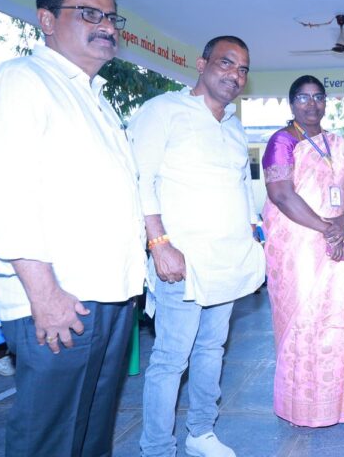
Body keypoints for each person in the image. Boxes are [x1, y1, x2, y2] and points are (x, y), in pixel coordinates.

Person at [0, 0, 146, 456]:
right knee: (50, 438)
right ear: (46, 20)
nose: (107, 26)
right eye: (89, 14)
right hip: (61, 299)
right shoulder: (21, 80)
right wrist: (45, 293)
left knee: (91, 432)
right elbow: (4, 192)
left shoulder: (94, 98)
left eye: (111, 18)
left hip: (108, 294)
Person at [129, 36, 265, 457]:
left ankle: (201, 433)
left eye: (242, 69)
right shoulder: (163, 111)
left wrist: (251, 231)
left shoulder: (234, 126)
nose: (235, 75)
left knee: (211, 350)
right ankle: (157, 447)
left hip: (227, 262)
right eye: (226, 63)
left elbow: (241, 186)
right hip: (182, 262)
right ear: (202, 64)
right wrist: (159, 244)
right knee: (171, 359)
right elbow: (140, 180)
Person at [261, 75, 344, 427]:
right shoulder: (282, 141)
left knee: (340, 317)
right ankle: (302, 406)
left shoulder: (339, 145)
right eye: (303, 98)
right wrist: (327, 228)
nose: (311, 104)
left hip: (336, 239)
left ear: (326, 102)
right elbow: (281, 194)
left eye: (318, 97)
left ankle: (340, 403)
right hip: (298, 249)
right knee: (304, 321)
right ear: (291, 103)